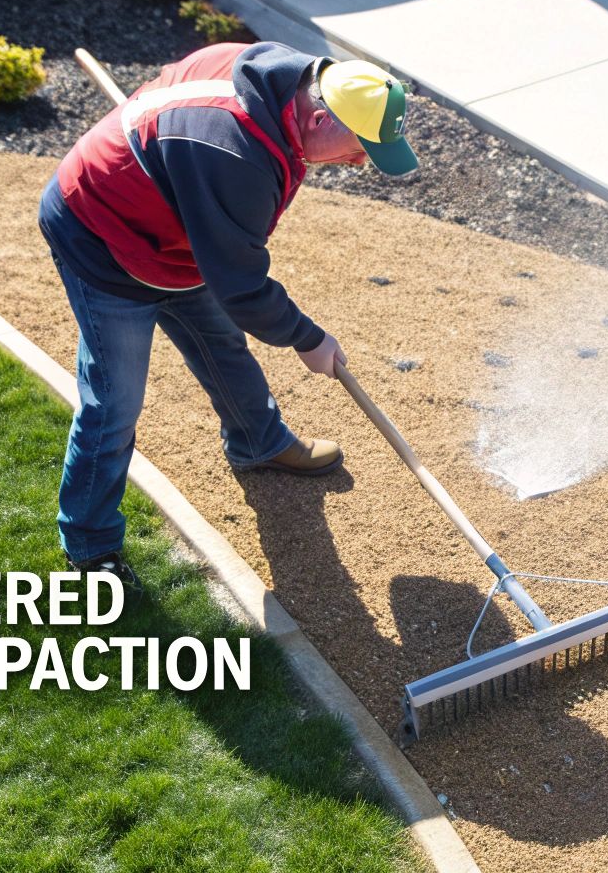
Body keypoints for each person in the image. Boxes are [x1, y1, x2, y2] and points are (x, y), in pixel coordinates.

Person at [38, 40, 418, 587]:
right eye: (362, 147)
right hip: (103, 237)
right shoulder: (232, 152)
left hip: (179, 234)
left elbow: (227, 260)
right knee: (114, 403)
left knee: (221, 344)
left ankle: (258, 441)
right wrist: (306, 336)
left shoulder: (282, 84)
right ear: (317, 114)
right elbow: (239, 285)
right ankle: (90, 548)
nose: (362, 161)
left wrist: (181, 182)